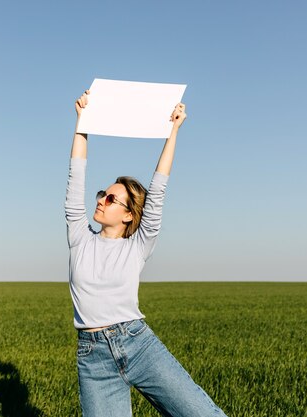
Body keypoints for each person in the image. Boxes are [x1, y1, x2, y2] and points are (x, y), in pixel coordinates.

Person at [65, 89, 228, 417]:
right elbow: (75, 175)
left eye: (111, 199)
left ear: (128, 214)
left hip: (137, 343)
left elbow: (158, 190)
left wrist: (173, 131)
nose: (100, 200)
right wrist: (83, 122)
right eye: (102, 194)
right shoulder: (79, 237)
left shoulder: (138, 245)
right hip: (93, 358)